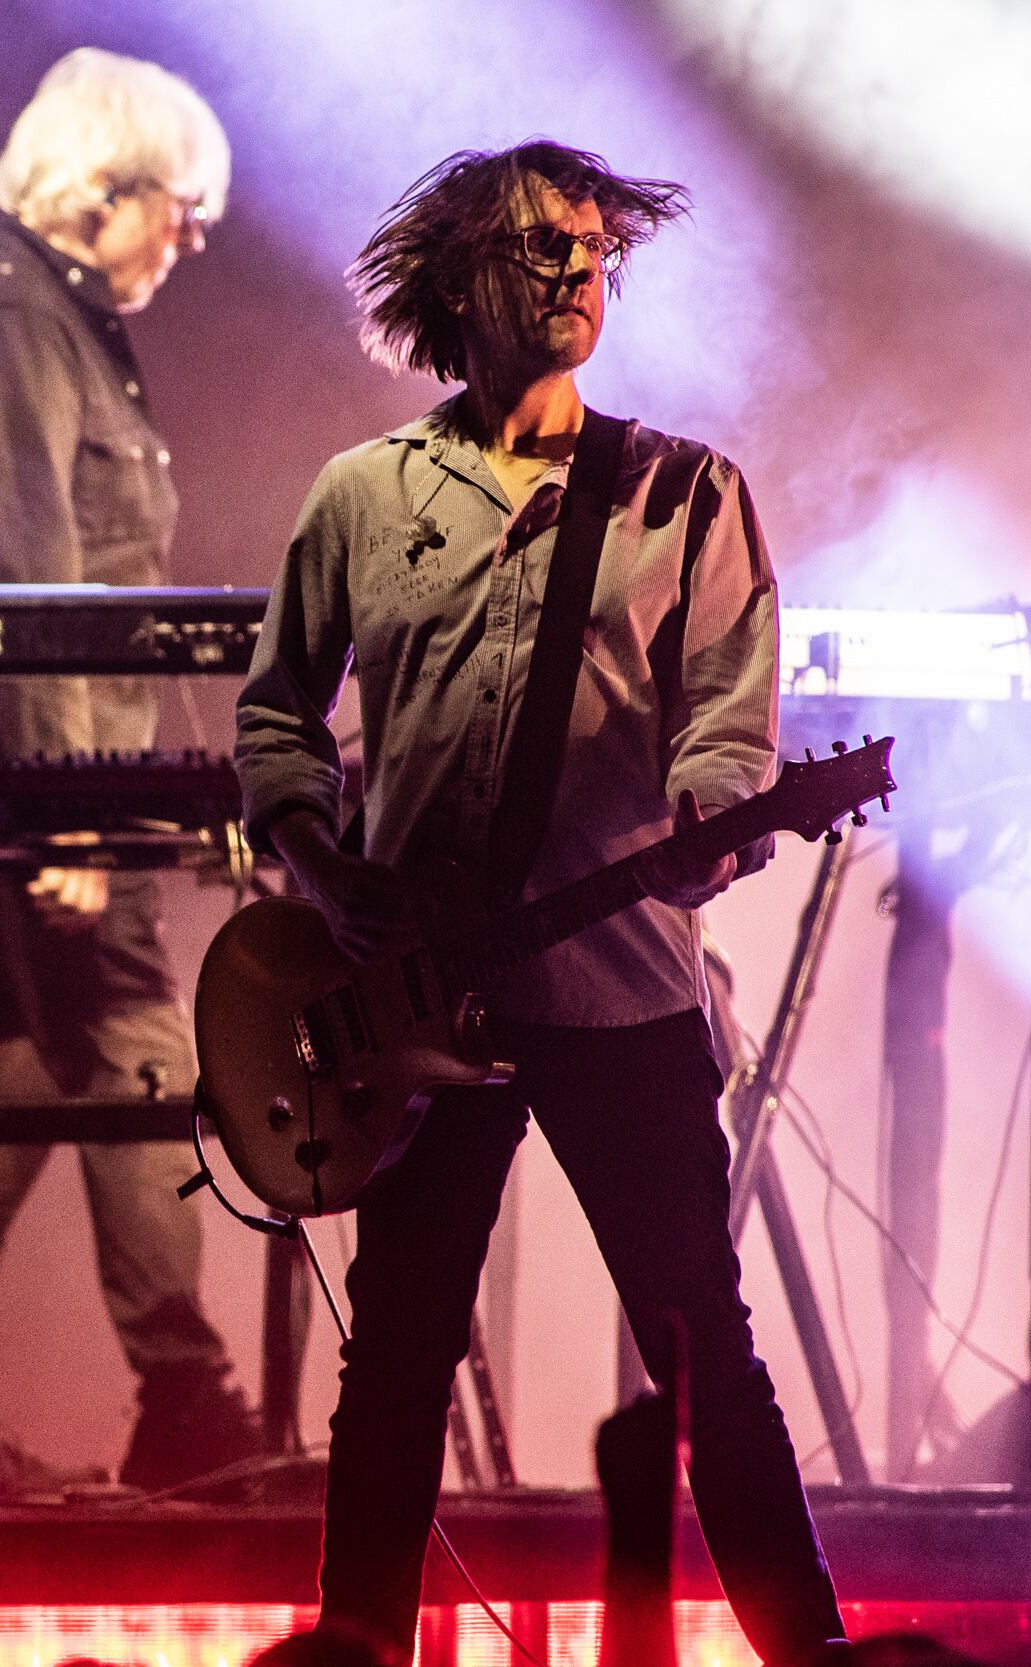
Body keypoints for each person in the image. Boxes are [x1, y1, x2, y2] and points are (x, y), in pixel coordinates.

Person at [231, 142, 848, 1664]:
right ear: (460, 283)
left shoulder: (685, 493)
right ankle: (358, 1651)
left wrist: (712, 819)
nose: (576, 271)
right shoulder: (361, 496)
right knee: (396, 1364)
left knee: (705, 1358)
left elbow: (727, 728)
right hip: (413, 1005)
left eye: (592, 248)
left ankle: (817, 1657)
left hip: (619, 988)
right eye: (538, 248)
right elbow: (276, 719)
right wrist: (324, 872)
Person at [0, 47, 261, 1498]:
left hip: (47, 789)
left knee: (15, 1065)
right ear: (103, 191)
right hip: (27, 795)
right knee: (118, 1060)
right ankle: (165, 1401)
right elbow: (25, 581)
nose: (189, 243)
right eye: (182, 213)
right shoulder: (6, 320)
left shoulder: (41, 317)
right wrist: (63, 817)